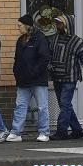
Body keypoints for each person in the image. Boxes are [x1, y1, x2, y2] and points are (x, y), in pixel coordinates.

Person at [48, 13, 83, 140]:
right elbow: (49, 55)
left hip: (70, 78)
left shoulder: (77, 42)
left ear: (67, 25)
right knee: (65, 105)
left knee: (65, 104)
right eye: (57, 23)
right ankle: (77, 130)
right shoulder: (55, 39)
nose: (58, 26)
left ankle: (61, 131)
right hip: (57, 77)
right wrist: (49, 65)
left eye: (60, 24)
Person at [6, 14, 51, 142]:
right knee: (20, 106)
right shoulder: (21, 41)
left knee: (42, 107)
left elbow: (44, 58)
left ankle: (44, 132)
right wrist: (17, 73)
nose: (18, 28)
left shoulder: (39, 39)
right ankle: (16, 132)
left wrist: (34, 72)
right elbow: (17, 59)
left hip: (38, 80)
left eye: (20, 26)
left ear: (26, 26)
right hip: (23, 80)